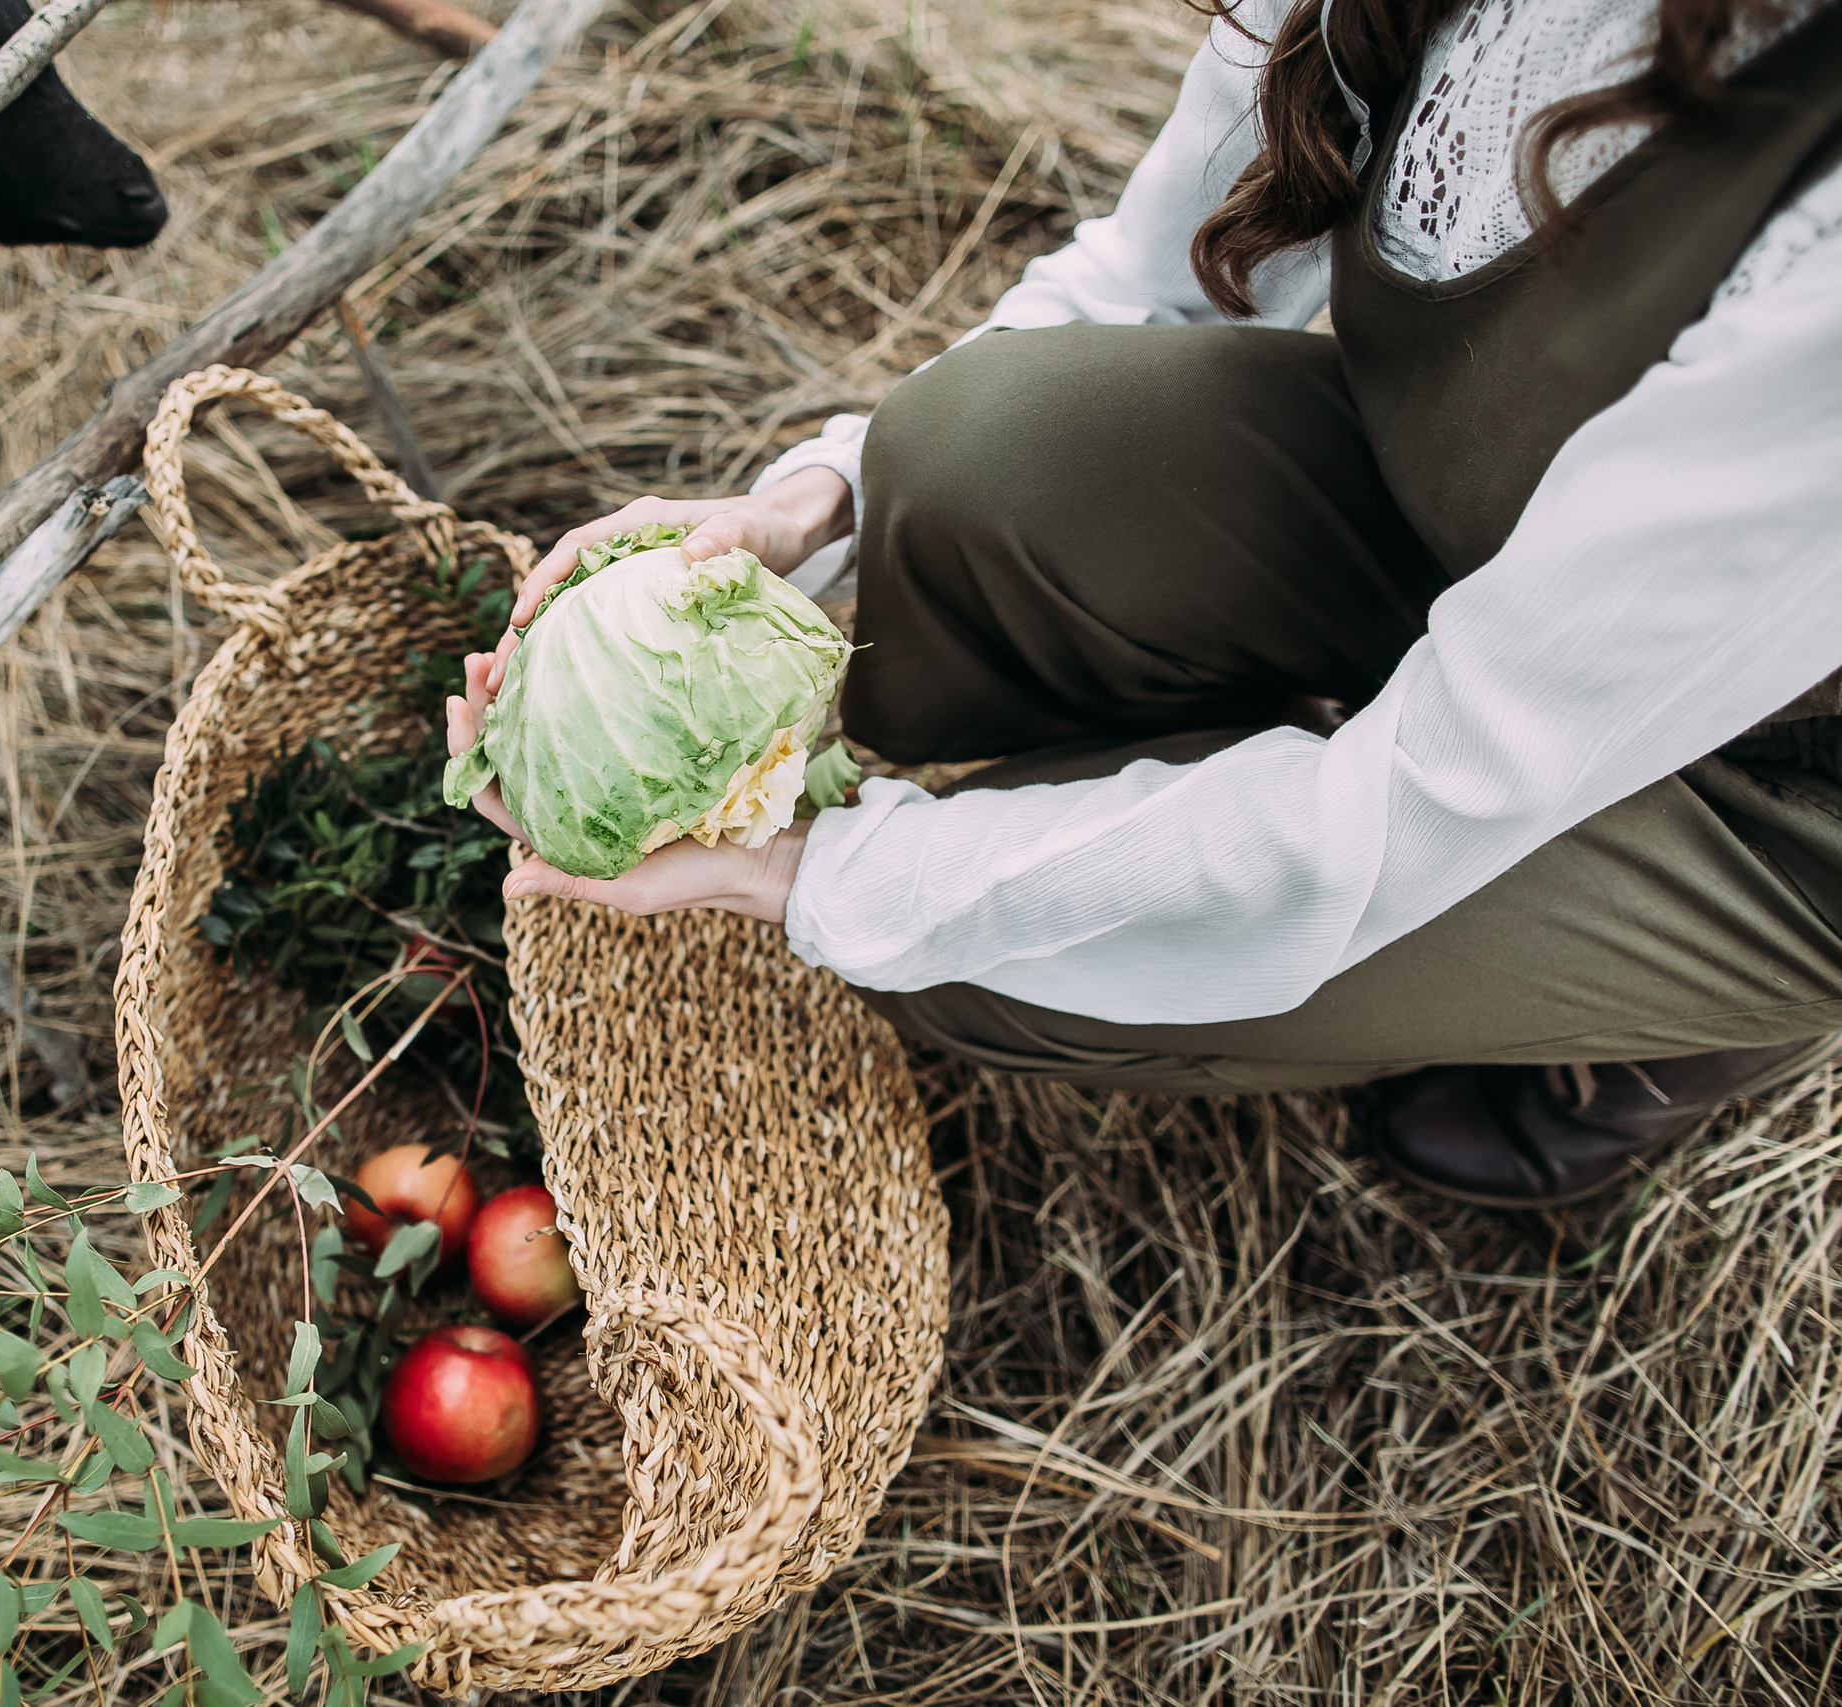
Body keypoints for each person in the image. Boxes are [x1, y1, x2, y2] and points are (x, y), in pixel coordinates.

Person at [447, 0, 1842, 1209]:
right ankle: (1272, 707)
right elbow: (1154, 274)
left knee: (1025, 963)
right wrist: (815, 508)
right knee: (964, 464)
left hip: (1773, 776)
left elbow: (1420, 801)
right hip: (1489, 512)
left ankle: (1675, 1024)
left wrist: (823, 878)